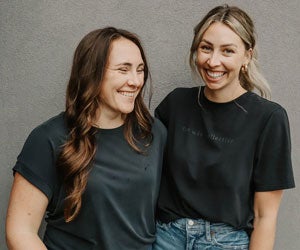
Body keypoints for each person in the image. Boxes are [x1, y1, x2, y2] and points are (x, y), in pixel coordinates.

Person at [6, 27, 166, 250]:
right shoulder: (49, 139)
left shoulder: (153, 132)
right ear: (93, 73)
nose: (136, 81)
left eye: (140, 70)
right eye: (123, 70)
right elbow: (20, 230)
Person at [153, 5, 295, 250]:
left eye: (227, 51)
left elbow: (265, 217)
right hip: (166, 237)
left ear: (247, 56)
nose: (213, 61)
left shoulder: (269, 118)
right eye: (206, 48)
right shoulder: (175, 105)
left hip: (224, 242)